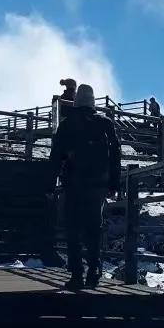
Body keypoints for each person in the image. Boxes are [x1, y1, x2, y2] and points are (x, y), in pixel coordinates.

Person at [49, 82, 121, 289]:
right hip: (98, 184)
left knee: (73, 227)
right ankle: (94, 270)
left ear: (77, 100)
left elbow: (56, 157)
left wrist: (49, 184)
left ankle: (77, 274)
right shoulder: (105, 123)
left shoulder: (67, 123)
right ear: (93, 101)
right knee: (93, 227)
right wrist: (114, 183)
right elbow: (116, 154)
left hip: (73, 183)